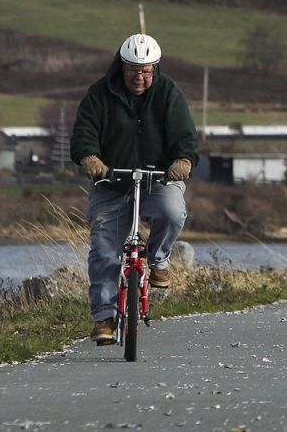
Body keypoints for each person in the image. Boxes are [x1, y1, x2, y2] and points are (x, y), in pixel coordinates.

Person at [70, 33, 200, 345]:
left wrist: (183, 160)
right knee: (103, 248)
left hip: (159, 179)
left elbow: (185, 134)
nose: (138, 77)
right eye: (132, 70)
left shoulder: (169, 93)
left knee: (172, 212)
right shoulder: (100, 94)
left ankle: (159, 259)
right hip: (111, 182)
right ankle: (104, 316)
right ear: (121, 67)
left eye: (145, 71)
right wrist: (89, 157)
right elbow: (84, 131)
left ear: (155, 69)